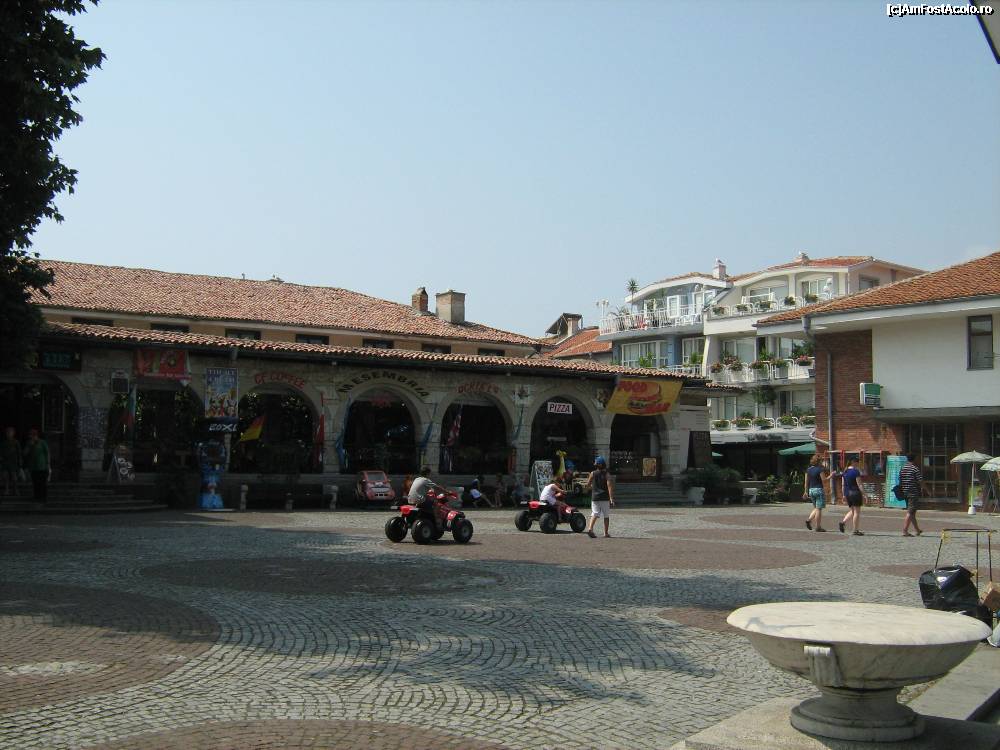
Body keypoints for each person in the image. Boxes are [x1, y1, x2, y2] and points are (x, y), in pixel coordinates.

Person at [584, 456, 615, 538]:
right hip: (604, 497)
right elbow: (609, 486)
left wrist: (588, 489)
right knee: (606, 516)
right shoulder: (607, 474)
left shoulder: (592, 473)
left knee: (594, 513)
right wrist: (611, 498)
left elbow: (588, 484)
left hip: (595, 497)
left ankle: (590, 528)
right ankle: (606, 533)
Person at [839, 458, 865, 536]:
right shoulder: (855, 472)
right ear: (853, 462)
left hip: (848, 493)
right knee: (857, 512)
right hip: (855, 493)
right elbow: (859, 484)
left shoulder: (845, 472)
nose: (858, 464)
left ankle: (843, 522)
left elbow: (843, 485)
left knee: (852, 511)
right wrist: (864, 494)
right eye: (857, 462)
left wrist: (844, 495)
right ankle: (855, 530)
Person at [803, 454, 830, 532]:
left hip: (811, 490)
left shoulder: (808, 470)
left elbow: (806, 482)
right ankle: (818, 527)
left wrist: (805, 492)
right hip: (819, 490)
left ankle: (809, 520)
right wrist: (831, 476)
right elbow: (824, 480)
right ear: (819, 462)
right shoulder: (820, 469)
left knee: (816, 508)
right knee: (819, 509)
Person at [23, 428, 50, 503]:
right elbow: (24, 453)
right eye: (30, 436)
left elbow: (47, 453)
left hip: (42, 466)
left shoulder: (42, 442)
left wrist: (48, 464)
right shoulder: (29, 443)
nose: (31, 437)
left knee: (42, 483)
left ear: (36, 435)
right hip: (33, 467)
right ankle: (36, 497)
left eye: (32, 436)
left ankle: (43, 497)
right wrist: (29, 446)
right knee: (35, 483)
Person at [900, 453, 923, 537]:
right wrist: (927, 490)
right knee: (910, 512)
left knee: (912, 512)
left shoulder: (903, 468)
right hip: (913, 493)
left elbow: (900, 480)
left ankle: (917, 530)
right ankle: (905, 531)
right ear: (914, 459)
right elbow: (920, 480)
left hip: (905, 492)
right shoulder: (914, 468)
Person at [1, 427, 22, 498]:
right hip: (5, 462)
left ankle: (15, 490)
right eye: (7, 432)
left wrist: (20, 462)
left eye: (10, 432)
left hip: (13, 462)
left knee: (14, 477)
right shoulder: (4, 443)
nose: (9, 434)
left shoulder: (16, 442)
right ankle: (6, 490)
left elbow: (19, 453)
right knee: (5, 476)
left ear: (13, 433)